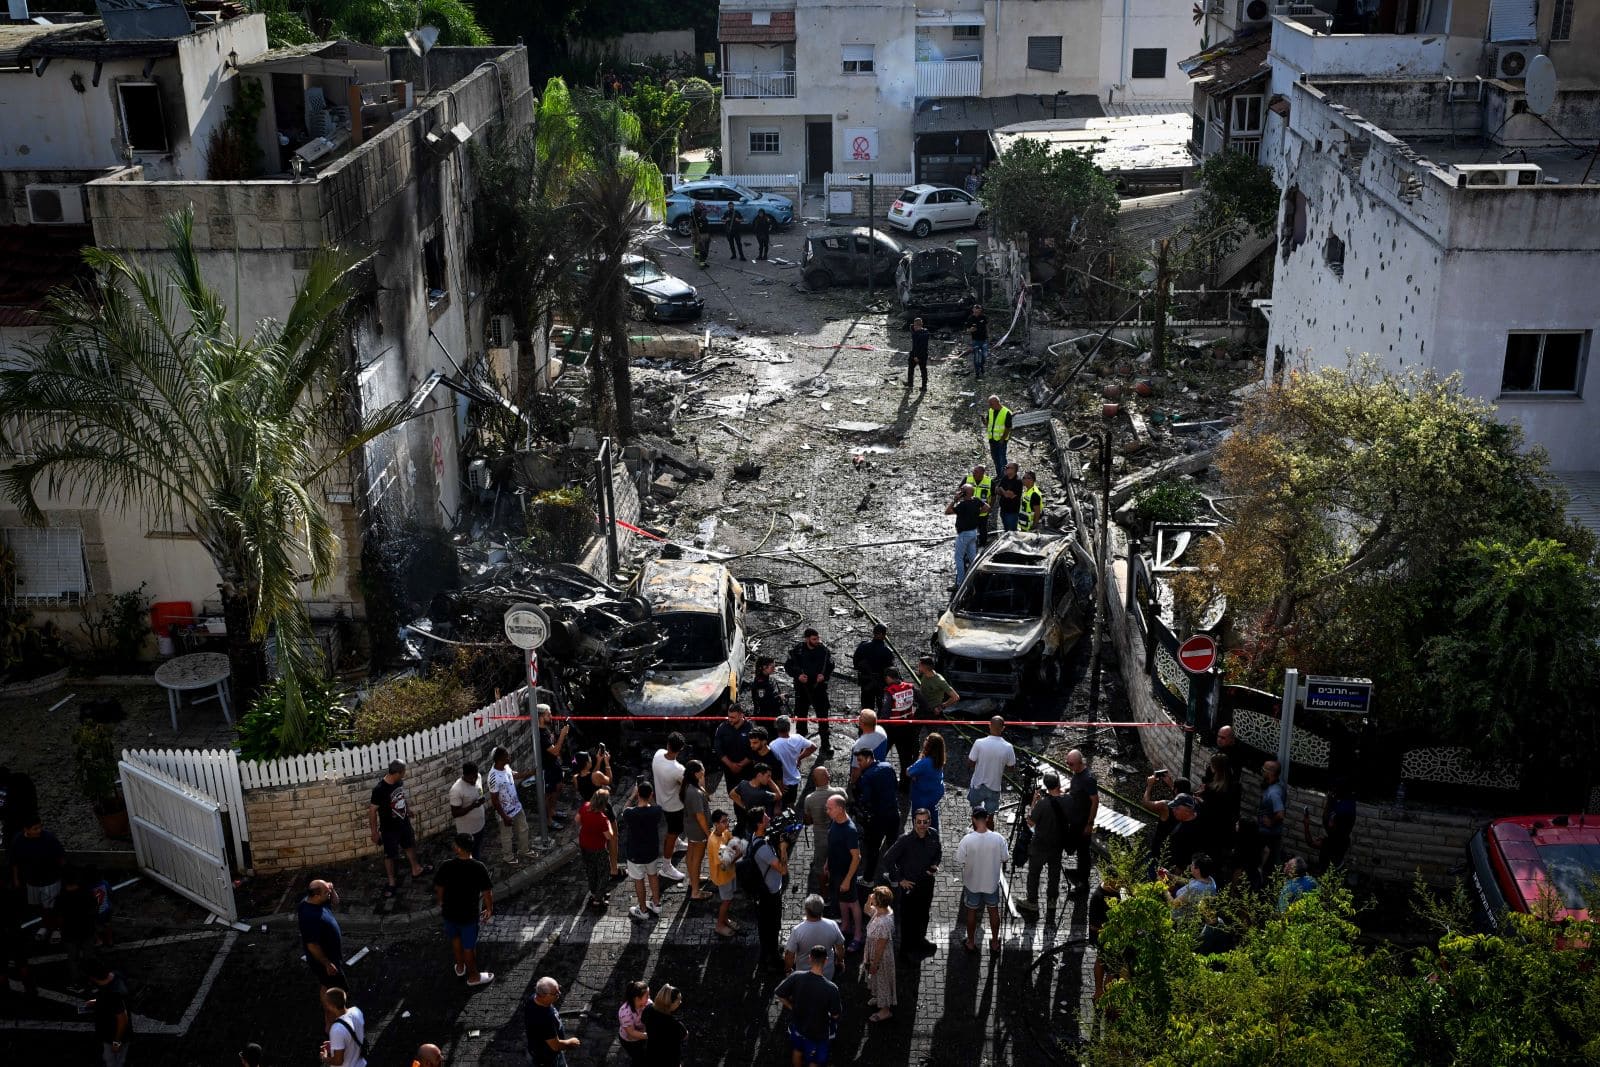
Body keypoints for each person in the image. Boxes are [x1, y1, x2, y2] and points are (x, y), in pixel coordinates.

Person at [433, 833, 495, 986]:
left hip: (449, 913)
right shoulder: (479, 868)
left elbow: (439, 886)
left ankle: (460, 967)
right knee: (469, 947)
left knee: (455, 939)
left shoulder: (446, 865)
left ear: (458, 849)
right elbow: (487, 892)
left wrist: (441, 902)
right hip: (468, 916)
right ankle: (473, 976)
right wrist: (489, 909)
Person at [880, 808, 941, 958]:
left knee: (923, 915)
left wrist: (934, 864)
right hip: (910, 887)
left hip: (927, 884)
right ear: (914, 822)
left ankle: (920, 941)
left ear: (930, 821)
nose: (922, 825)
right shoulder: (905, 840)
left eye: (925, 821)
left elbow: (938, 852)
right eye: (919, 822)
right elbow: (888, 859)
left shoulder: (933, 834)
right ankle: (905, 951)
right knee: (908, 919)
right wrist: (900, 879)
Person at [369, 761, 431, 898]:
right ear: (396, 773)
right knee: (390, 855)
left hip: (403, 823)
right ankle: (391, 882)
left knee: (409, 845)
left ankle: (416, 869)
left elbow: (401, 796)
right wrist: (374, 832)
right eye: (402, 773)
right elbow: (372, 811)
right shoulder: (379, 789)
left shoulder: (398, 782)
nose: (404, 775)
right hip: (389, 828)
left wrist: (407, 810)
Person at [776, 945, 843, 1067]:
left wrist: (792, 1007)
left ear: (809, 959)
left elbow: (779, 993)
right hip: (819, 1032)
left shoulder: (796, 976)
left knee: (797, 1051)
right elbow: (835, 1014)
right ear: (826, 960)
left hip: (798, 1026)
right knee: (814, 1061)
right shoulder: (832, 988)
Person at [957, 806, 1010, 952]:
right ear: (987, 818)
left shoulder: (967, 840)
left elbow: (960, 859)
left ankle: (971, 942)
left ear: (973, 819)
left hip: (972, 884)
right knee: (993, 911)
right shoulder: (998, 838)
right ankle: (994, 943)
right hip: (991, 883)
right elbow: (1005, 858)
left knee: (971, 912)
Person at [1017, 773, 1067, 915]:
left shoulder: (1042, 804)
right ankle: (1052, 900)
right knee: (1054, 874)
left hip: (1039, 845)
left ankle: (1032, 902)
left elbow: (1030, 822)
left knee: (1034, 875)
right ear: (1058, 783)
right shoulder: (1066, 801)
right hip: (1057, 845)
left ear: (1045, 785)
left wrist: (1033, 803)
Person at [784, 629, 835, 754]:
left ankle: (825, 744)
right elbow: (788, 666)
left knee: (823, 717)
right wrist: (797, 676)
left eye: (817, 638)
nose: (817, 641)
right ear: (806, 639)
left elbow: (831, 664)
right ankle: (800, 744)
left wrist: (824, 676)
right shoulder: (797, 651)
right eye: (814, 639)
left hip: (819, 689)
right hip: (802, 689)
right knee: (801, 718)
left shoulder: (823, 651)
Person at [10, 817, 64, 936]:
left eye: (40, 827)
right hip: (32, 880)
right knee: (38, 906)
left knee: (53, 907)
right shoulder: (18, 840)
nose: (39, 830)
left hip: (51, 879)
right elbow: (15, 862)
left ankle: (57, 929)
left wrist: (61, 874)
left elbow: (60, 857)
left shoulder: (49, 838)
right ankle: (45, 926)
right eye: (35, 829)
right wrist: (16, 878)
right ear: (26, 829)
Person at [750, 809, 790, 968]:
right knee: (770, 927)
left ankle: (769, 953)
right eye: (765, 816)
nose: (769, 817)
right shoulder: (763, 849)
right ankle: (771, 959)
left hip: (768, 890)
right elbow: (783, 870)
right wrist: (783, 848)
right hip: (769, 894)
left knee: (769, 925)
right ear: (760, 823)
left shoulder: (756, 837)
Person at [1142, 773, 1203, 875]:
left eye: (1177, 808)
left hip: (1161, 855)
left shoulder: (1165, 806)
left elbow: (1145, 803)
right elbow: (1183, 799)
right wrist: (1172, 785)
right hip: (1175, 862)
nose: (1174, 810)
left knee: (1148, 875)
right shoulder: (1195, 807)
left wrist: (1149, 785)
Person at [824, 795, 864, 951]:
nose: (827, 811)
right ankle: (846, 926)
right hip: (835, 871)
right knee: (841, 899)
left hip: (846, 874)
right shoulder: (835, 821)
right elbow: (833, 845)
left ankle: (858, 935)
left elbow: (857, 857)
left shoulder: (850, 830)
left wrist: (847, 880)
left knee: (853, 903)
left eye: (829, 808)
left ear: (840, 809)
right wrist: (828, 862)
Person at [854, 749, 899, 883]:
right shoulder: (888, 766)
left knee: (873, 850)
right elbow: (895, 786)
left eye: (860, 760)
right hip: (894, 814)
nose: (859, 764)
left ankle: (868, 880)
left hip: (878, 819)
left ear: (869, 758)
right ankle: (894, 877)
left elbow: (865, 798)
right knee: (893, 848)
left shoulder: (867, 776)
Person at [574, 746, 620, 876]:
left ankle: (598, 867)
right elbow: (609, 780)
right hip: (604, 810)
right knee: (613, 838)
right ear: (587, 763)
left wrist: (598, 761)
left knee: (597, 839)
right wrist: (606, 762)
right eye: (590, 759)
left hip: (590, 812)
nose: (591, 760)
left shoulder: (576, 778)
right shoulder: (597, 776)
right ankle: (614, 869)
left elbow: (590, 779)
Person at [802, 767, 846, 893]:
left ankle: (825, 895)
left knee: (821, 869)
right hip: (839, 837)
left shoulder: (809, 799)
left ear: (814, 781)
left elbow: (808, 821)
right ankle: (841, 890)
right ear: (828, 777)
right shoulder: (840, 792)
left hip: (821, 840)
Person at [298, 878, 346, 993]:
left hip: (332, 956)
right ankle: (333, 1010)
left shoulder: (320, 900)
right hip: (325, 961)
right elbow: (312, 945)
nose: (329, 894)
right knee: (334, 989)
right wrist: (327, 964)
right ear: (316, 895)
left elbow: (336, 902)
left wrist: (331, 889)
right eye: (326, 893)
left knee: (327, 985)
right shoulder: (309, 916)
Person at [652, 734, 688, 882]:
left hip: (661, 801)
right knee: (671, 833)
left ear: (667, 744)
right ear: (681, 749)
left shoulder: (658, 754)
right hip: (674, 807)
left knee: (675, 831)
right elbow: (685, 787)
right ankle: (666, 866)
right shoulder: (679, 769)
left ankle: (678, 843)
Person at [1063, 748, 1100, 892]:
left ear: (1080, 763)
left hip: (1083, 822)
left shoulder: (1088, 779)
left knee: (1083, 852)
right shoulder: (1077, 773)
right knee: (1078, 849)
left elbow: (1095, 801)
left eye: (1071, 764)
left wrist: (1090, 823)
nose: (1069, 766)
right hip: (1075, 819)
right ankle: (1079, 872)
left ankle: (1083, 884)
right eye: (1067, 763)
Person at [487, 746, 530, 866]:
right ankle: (508, 857)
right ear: (500, 758)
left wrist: (528, 774)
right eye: (507, 755)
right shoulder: (493, 777)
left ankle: (524, 850)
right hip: (505, 812)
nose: (509, 757)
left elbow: (513, 775)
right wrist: (504, 816)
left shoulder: (506, 767)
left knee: (523, 828)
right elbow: (494, 800)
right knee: (507, 836)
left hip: (517, 807)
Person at [784, 893, 846, 978]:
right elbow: (840, 948)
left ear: (806, 910)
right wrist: (840, 961)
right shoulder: (833, 925)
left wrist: (788, 970)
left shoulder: (797, 930)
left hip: (803, 976)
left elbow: (789, 955)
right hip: (827, 974)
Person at [1304, 778, 1357, 875]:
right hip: (1337, 867)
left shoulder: (1330, 843)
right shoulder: (1349, 803)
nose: (1332, 792)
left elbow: (1310, 842)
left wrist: (1306, 824)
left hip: (1328, 872)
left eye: (1334, 790)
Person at [966, 715, 1016, 815]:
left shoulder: (979, 743)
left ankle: (977, 830)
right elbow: (1011, 768)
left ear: (989, 725)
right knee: (990, 817)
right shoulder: (1008, 747)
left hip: (978, 784)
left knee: (976, 815)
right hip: (995, 786)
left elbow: (970, 763)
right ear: (1003, 728)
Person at [87, 958, 132, 1067]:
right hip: (115, 1035)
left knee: (113, 1062)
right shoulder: (116, 977)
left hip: (113, 1036)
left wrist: (116, 1042)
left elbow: (122, 1019)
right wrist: (96, 1002)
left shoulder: (111, 994)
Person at [526, 976, 580, 1066]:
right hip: (548, 1058)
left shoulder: (533, 998)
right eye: (555, 993)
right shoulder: (544, 1019)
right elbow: (556, 1046)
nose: (559, 993)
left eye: (558, 989)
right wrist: (571, 1042)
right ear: (544, 995)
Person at [577, 788, 616, 909]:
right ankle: (598, 899)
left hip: (584, 845)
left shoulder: (585, 807)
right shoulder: (602, 818)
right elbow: (609, 836)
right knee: (604, 872)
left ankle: (594, 893)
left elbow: (577, 820)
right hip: (598, 848)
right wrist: (609, 824)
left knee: (591, 870)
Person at [863, 885, 897, 1021]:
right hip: (874, 950)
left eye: (874, 896)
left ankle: (885, 1010)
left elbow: (881, 947)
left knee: (882, 979)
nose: (872, 896)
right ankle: (878, 997)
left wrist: (874, 963)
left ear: (879, 902)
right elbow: (867, 910)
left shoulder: (884, 922)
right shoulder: (881, 910)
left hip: (880, 957)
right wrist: (868, 900)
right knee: (877, 979)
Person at [768, 716, 817, 809]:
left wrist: (779, 784)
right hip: (794, 779)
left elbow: (775, 766)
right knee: (790, 805)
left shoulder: (773, 745)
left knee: (778, 806)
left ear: (776, 728)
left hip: (781, 782)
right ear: (789, 727)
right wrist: (799, 757)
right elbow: (813, 747)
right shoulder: (798, 738)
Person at [946, 482, 989, 589]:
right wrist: (977, 513)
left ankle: (960, 584)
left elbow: (947, 511)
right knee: (973, 558)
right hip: (974, 533)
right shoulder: (976, 500)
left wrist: (955, 500)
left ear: (964, 493)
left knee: (959, 558)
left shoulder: (963, 505)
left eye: (961, 490)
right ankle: (975, 580)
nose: (959, 491)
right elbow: (987, 507)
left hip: (964, 535)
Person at [878, 668, 919, 779]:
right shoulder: (910, 687)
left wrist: (880, 727)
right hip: (907, 727)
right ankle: (905, 784)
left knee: (880, 753)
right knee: (906, 758)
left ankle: (878, 778)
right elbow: (921, 702)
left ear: (888, 678)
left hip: (892, 729)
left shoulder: (890, 691)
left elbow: (885, 712)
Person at [680, 761, 712, 900]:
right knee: (697, 860)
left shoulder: (689, 786)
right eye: (702, 769)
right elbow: (700, 816)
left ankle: (694, 878)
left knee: (691, 854)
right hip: (698, 830)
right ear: (695, 773)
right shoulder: (694, 792)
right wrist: (708, 833)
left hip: (690, 827)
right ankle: (695, 891)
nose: (704, 770)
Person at [536, 704, 570, 832]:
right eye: (548, 714)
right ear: (540, 716)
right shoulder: (540, 734)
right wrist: (562, 735)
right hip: (547, 767)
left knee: (559, 787)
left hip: (554, 764)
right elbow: (555, 750)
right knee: (548, 794)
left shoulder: (545, 729)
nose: (551, 716)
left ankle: (553, 811)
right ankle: (548, 821)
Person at [707, 809, 739, 937]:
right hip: (723, 877)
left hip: (729, 874)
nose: (727, 824)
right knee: (726, 901)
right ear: (715, 824)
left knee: (729, 899)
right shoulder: (715, 842)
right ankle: (719, 925)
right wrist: (738, 854)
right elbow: (724, 865)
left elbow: (732, 841)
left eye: (727, 820)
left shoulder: (724, 832)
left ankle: (725, 919)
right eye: (723, 821)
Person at [904, 733, 947, 829]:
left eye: (926, 740)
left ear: (929, 745)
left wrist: (914, 776)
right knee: (932, 815)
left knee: (919, 819)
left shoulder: (924, 762)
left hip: (922, 797)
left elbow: (908, 772)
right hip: (935, 793)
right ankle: (934, 834)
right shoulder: (939, 759)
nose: (924, 740)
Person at [449, 761, 489, 859]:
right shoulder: (456, 790)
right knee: (467, 856)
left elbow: (478, 792)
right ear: (464, 775)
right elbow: (455, 813)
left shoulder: (478, 777)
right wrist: (472, 806)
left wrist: (481, 800)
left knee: (477, 850)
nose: (474, 780)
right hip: (466, 831)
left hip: (480, 825)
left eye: (475, 776)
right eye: (471, 778)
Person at [714, 705, 756, 798]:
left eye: (733, 717)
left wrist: (741, 765)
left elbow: (755, 748)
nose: (730, 719)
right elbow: (718, 748)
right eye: (729, 716)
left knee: (748, 794)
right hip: (729, 770)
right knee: (733, 795)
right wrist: (730, 765)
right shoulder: (722, 728)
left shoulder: (750, 728)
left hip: (747, 769)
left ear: (741, 715)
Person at [1162, 852, 1217, 922]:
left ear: (1197, 870)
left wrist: (1163, 887)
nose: (1190, 865)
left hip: (1179, 921)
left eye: (1192, 864)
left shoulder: (1196, 889)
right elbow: (1189, 881)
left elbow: (1173, 904)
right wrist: (1169, 875)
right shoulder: (1209, 880)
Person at [852, 624, 894, 715]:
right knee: (882, 708)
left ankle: (866, 727)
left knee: (866, 708)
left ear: (873, 633)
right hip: (881, 684)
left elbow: (855, 664)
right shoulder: (887, 651)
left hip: (866, 682)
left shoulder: (863, 646)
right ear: (884, 635)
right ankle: (880, 726)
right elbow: (890, 670)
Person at [1256, 759, 1288, 879]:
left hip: (1268, 833)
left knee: (1266, 861)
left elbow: (1280, 814)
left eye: (1264, 770)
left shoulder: (1274, 792)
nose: (1262, 771)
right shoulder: (1278, 784)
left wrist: (1271, 822)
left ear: (1270, 773)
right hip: (1271, 832)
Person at [320, 986, 365, 1067]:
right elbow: (352, 1034)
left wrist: (324, 1058)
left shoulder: (337, 1029)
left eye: (326, 1003)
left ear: (332, 1006)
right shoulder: (356, 1011)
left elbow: (338, 1061)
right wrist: (335, 1043)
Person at [642, 984, 688, 1065]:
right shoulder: (675, 1025)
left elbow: (643, 1020)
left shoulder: (648, 1009)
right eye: (679, 1000)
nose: (680, 1002)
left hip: (652, 1053)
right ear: (670, 1003)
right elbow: (685, 1035)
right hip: (669, 1059)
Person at [734, 763, 783, 837]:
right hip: (761, 827)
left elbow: (732, 794)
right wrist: (770, 781)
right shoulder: (762, 794)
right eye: (768, 776)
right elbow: (779, 795)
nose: (769, 778)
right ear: (759, 775)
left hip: (748, 824)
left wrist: (744, 806)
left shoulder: (743, 784)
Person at [848, 710, 891, 788]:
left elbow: (856, 769)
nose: (858, 718)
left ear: (862, 724)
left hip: (866, 779)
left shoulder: (860, 745)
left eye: (860, 717)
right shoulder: (881, 730)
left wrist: (852, 783)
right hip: (878, 772)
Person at [618, 980, 651, 1065]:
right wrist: (650, 1036)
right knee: (638, 1058)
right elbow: (631, 1032)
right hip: (630, 1041)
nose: (649, 998)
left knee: (643, 1053)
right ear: (637, 998)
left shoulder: (648, 1003)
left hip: (642, 1036)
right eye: (647, 996)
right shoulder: (625, 1012)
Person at [962, 463, 994, 547]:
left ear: (982, 473)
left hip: (982, 511)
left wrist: (990, 506)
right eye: (973, 471)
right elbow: (960, 490)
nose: (973, 473)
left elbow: (994, 495)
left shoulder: (990, 481)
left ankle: (982, 544)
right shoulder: (967, 479)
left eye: (976, 472)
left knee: (983, 528)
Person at [750, 656, 786, 720]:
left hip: (773, 713)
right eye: (772, 667)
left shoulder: (771, 679)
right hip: (765, 716)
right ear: (764, 667)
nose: (774, 669)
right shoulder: (760, 683)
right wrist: (779, 698)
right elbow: (763, 702)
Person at [984, 395, 1012, 473]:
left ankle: (1004, 476)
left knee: (1002, 459)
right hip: (992, 439)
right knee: (995, 458)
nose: (990, 406)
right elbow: (988, 423)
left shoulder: (1006, 412)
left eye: (991, 404)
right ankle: (999, 475)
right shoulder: (990, 410)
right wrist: (984, 420)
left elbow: (1008, 428)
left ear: (997, 403)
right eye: (989, 404)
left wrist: (1003, 439)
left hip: (1001, 441)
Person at [994, 462, 1023, 532]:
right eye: (1005, 467)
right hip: (1003, 509)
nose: (1005, 469)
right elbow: (996, 490)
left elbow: (1009, 495)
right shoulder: (1005, 478)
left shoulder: (1018, 481)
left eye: (1007, 468)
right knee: (1006, 530)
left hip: (1012, 512)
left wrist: (1001, 489)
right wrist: (1003, 491)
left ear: (1013, 470)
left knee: (1012, 532)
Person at [966, 303, 989, 378]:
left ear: (980, 311)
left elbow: (986, 326)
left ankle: (982, 366)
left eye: (978, 312)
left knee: (984, 356)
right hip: (975, 340)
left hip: (984, 340)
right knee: (976, 357)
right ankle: (977, 373)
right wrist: (970, 330)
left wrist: (989, 336)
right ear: (973, 310)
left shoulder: (983, 317)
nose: (977, 313)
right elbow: (967, 330)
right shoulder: (970, 318)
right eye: (975, 312)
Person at [907, 317, 930, 390]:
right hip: (916, 354)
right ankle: (910, 384)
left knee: (923, 370)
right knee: (911, 369)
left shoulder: (922, 335)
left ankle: (924, 386)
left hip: (920, 355)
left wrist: (916, 356)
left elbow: (920, 347)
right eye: (915, 325)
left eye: (917, 325)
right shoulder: (918, 332)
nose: (915, 327)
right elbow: (911, 327)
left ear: (921, 325)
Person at [691, 201, 711, 268]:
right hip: (699, 233)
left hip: (705, 234)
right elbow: (693, 223)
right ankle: (701, 262)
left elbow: (706, 210)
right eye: (698, 206)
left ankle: (702, 262)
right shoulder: (695, 215)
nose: (705, 214)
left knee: (704, 250)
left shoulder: (704, 218)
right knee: (701, 248)